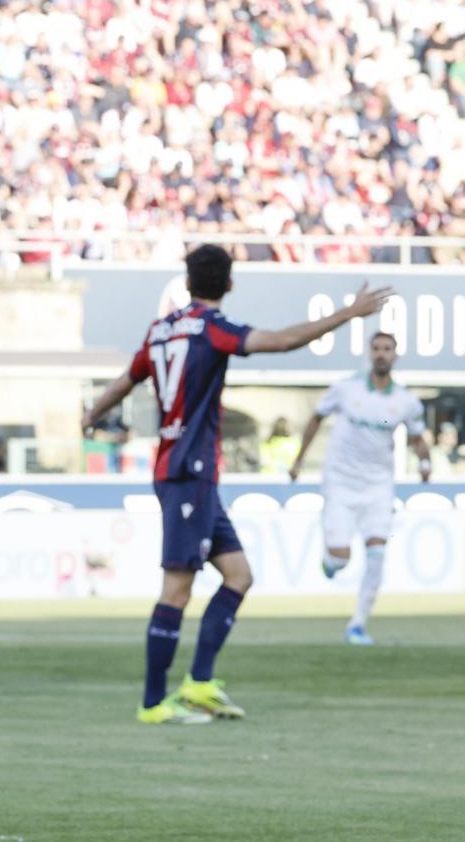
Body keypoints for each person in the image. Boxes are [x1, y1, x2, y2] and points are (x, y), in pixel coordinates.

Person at [82, 244, 392, 725]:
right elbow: (283, 341)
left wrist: (92, 413)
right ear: (229, 284)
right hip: (188, 473)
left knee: (239, 575)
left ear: (188, 282)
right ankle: (153, 704)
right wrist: (349, 313)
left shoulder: (161, 329)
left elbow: (129, 378)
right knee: (177, 590)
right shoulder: (214, 329)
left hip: (188, 474)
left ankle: (199, 684)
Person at [288, 333, 430, 645]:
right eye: (376, 349)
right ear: (369, 353)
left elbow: (417, 436)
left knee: (377, 554)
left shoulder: (406, 400)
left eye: (387, 349)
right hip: (340, 481)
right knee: (341, 559)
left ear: (395, 355)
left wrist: (424, 462)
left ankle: (358, 625)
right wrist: (298, 459)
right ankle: (330, 561)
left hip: (378, 485)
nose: (381, 354)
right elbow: (316, 419)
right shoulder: (345, 388)